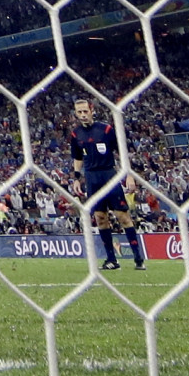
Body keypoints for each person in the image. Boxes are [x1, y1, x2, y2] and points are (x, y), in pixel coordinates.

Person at [69, 98, 145, 271]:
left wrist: (129, 175)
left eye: (85, 111)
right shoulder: (76, 134)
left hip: (109, 174)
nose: (83, 115)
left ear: (92, 111)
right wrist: (76, 178)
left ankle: (138, 258)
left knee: (122, 216)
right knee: (100, 218)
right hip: (91, 178)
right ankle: (111, 260)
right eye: (79, 112)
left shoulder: (106, 129)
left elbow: (122, 152)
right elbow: (77, 157)